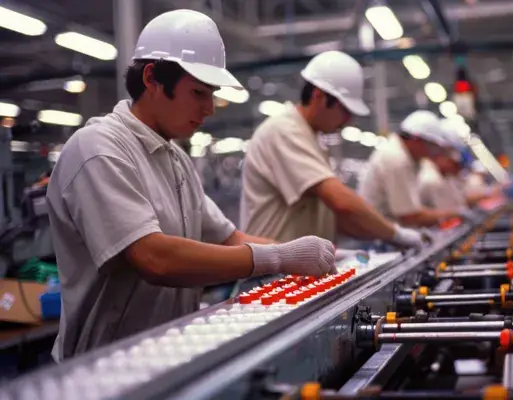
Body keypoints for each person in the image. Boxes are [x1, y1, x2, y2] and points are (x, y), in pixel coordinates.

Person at [46, 10, 336, 362]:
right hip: (104, 368)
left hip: (169, 355)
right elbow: (154, 258)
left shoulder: (176, 159)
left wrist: (306, 254)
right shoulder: (98, 148)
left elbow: (231, 239)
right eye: (199, 92)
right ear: (152, 78)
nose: (209, 108)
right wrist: (277, 257)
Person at [241, 51, 424, 251]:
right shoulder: (284, 130)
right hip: (270, 274)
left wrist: (384, 235)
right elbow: (341, 202)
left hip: (296, 270)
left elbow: (340, 219)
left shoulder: (311, 138)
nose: (348, 120)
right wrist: (396, 234)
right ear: (319, 96)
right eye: (344, 110)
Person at [358, 111, 465, 227]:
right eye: (430, 146)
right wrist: (454, 214)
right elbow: (409, 216)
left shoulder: (404, 156)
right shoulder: (396, 159)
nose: (431, 153)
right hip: (376, 236)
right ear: (416, 140)